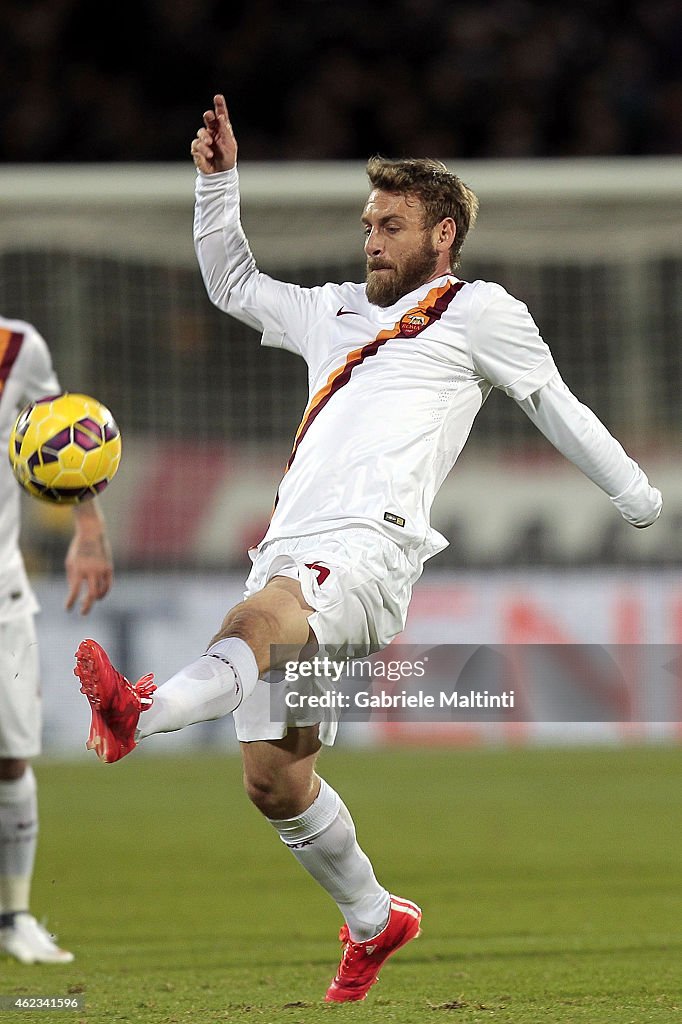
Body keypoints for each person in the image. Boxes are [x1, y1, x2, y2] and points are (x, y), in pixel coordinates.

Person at [73, 94, 662, 1002]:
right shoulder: (331, 310)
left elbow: (555, 404)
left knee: (254, 621)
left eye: (391, 224)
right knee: (274, 776)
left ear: (444, 233)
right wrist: (218, 183)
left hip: (370, 550)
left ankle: (135, 716)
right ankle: (374, 917)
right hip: (292, 542)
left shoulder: (479, 311)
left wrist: (636, 494)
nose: (371, 240)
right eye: (366, 225)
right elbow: (232, 284)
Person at [0, 315, 114, 964]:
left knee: (11, 758)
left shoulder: (19, 348)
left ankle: (13, 918)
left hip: (1, 586)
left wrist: (90, 530)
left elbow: (65, 438)